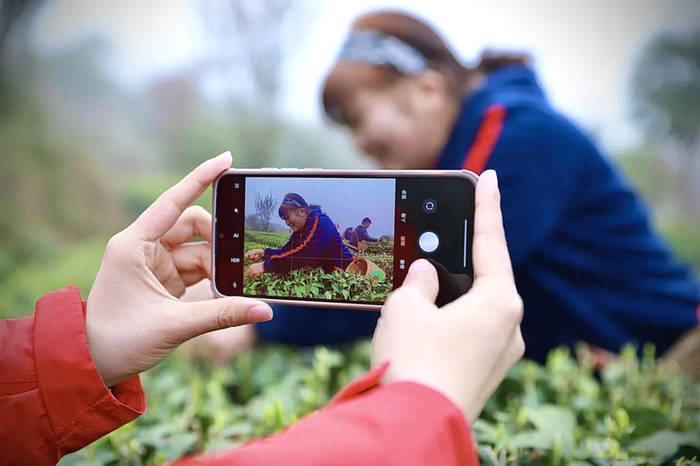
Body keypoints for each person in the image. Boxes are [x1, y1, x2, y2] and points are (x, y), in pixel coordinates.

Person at [0, 153, 524, 465]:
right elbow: (290, 252)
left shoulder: (317, 225)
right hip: (328, 261)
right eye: (289, 218)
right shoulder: (304, 228)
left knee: (333, 269)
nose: (290, 221)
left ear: (299, 210)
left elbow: (301, 255)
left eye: (290, 215)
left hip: (340, 263)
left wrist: (87, 348)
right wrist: (423, 407)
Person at [252, 10, 700, 362]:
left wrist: (259, 324)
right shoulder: (467, 153)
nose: (358, 143)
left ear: (427, 89)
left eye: (358, 119)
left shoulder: (516, 139)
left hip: (678, 349)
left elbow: (424, 285)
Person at [244, 193, 354, 278]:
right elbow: (285, 251)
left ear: (301, 211)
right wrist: (264, 253)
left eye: (287, 217)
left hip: (348, 270)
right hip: (330, 272)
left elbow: (306, 254)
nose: (286, 223)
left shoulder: (320, 221)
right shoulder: (300, 231)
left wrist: (265, 266)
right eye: (284, 219)